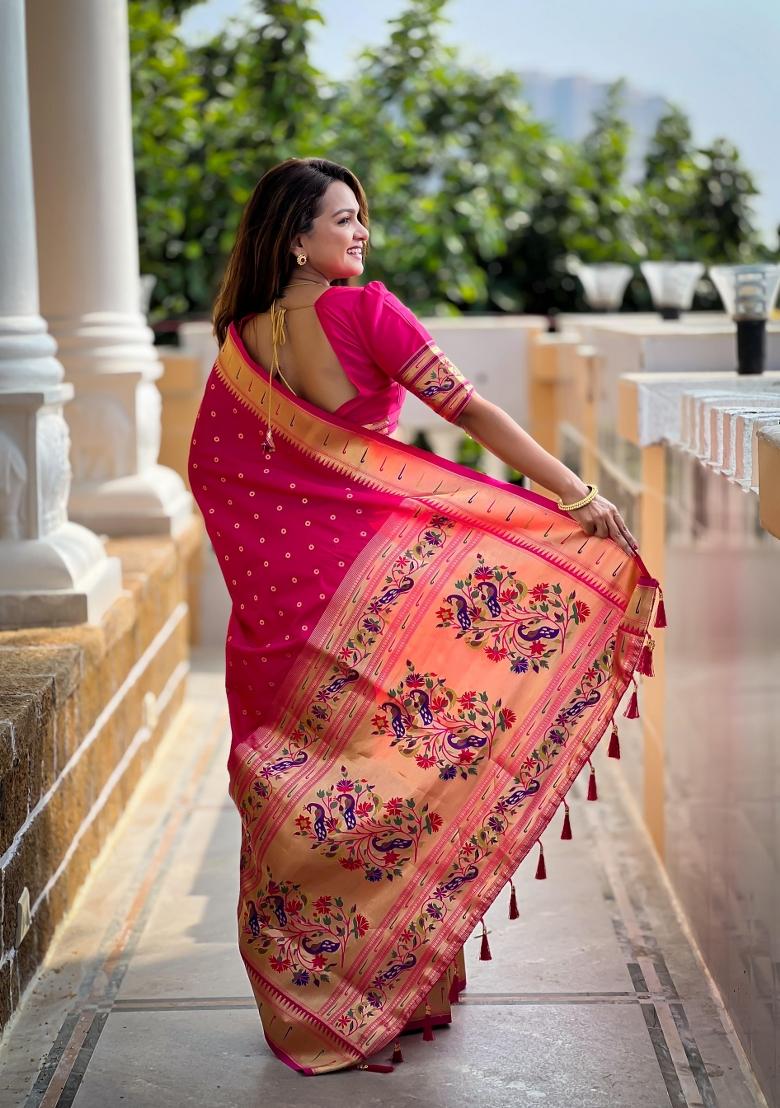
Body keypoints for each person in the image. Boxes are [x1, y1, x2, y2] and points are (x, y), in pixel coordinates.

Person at [189, 157, 662, 1076]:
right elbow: (471, 410)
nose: (360, 233)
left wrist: (276, 568)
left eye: (362, 218)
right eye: (344, 219)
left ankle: (332, 991)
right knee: (406, 762)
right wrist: (574, 493)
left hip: (292, 604)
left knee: (314, 783)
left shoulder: (240, 340)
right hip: (385, 581)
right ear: (297, 237)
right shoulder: (366, 311)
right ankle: (397, 975)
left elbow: (215, 475)